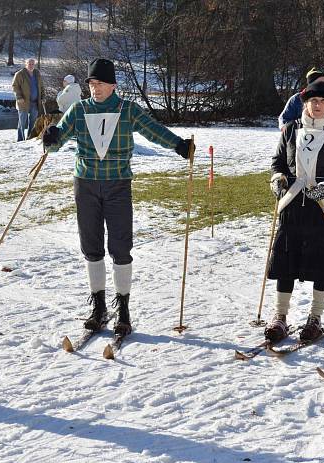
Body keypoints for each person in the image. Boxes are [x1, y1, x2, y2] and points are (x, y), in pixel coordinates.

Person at [42, 58, 192, 338]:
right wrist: (50, 137)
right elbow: (56, 143)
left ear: (112, 85)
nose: (95, 89)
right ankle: (98, 306)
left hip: (117, 185)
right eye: (91, 84)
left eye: (100, 83)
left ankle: (123, 308)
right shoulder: (79, 110)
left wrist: (178, 145)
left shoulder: (127, 110)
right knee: (91, 246)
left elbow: (153, 130)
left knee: (121, 246)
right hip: (85, 184)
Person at [265, 81, 324, 343]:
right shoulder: (291, 130)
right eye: (312, 101)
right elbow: (277, 163)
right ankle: (280, 316)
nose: (317, 105)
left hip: (322, 207)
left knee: (322, 263)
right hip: (293, 204)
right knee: (286, 262)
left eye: (322, 101)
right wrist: (278, 178)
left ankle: (315, 317)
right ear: (305, 103)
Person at [12, 58, 44, 141]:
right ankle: (20, 139)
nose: (31, 65)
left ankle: (30, 138)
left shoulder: (37, 73)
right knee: (22, 123)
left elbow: (41, 87)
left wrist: (43, 97)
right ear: (26, 64)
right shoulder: (19, 74)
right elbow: (15, 86)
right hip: (23, 102)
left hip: (35, 103)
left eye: (33, 64)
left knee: (33, 122)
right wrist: (19, 97)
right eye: (29, 64)